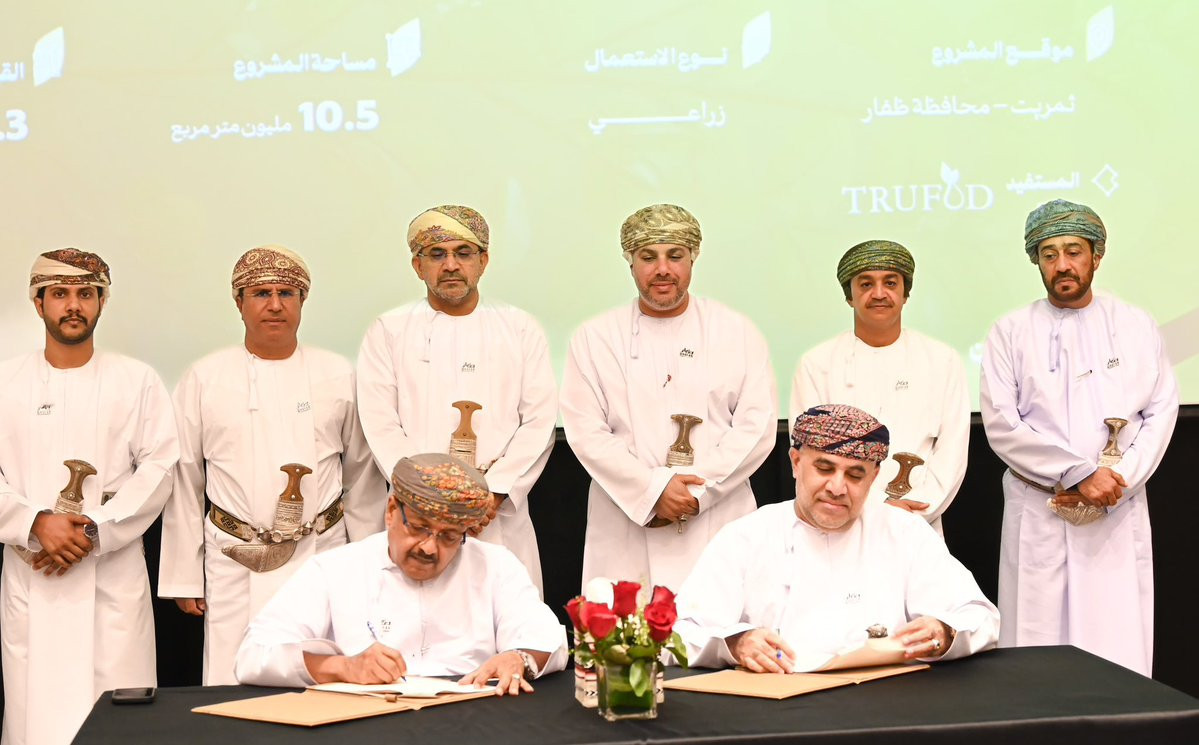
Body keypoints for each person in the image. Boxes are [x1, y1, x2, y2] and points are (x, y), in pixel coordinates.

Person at [158, 245, 386, 685]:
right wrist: (184, 576)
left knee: (322, 680)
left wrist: (369, 565)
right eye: (261, 293)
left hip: (322, 554)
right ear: (239, 302)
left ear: (303, 301)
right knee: (231, 685)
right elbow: (184, 479)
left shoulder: (338, 374)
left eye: (287, 293)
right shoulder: (205, 377)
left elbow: (362, 476)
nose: (275, 305)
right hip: (235, 559)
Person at [980, 199, 1178, 676]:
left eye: (1073, 251)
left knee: (1116, 647)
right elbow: (1002, 425)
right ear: (1036, 261)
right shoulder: (1010, 331)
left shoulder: (1136, 325)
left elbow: (1160, 410)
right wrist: (1078, 473)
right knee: (1035, 654)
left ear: (1096, 256)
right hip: (1039, 509)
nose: (1062, 265)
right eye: (1049, 254)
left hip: (1116, 509)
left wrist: (1116, 481)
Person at [0, 249, 179, 745]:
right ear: (38, 303)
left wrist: (96, 530)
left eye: (85, 294)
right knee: (37, 721)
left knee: (121, 721)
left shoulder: (137, 381)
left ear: (102, 302)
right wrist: (35, 523)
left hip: (111, 577)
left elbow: (161, 467)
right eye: (60, 294)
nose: (73, 305)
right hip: (32, 576)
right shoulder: (5, 382)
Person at [674, 404, 999, 672]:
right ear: (796, 463)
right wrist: (736, 643)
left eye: (855, 475)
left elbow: (980, 618)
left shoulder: (904, 532)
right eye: (825, 469)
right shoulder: (746, 536)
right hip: (781, 708)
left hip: (886, 703)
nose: (837, 487)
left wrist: (944, 631)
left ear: (873, 477)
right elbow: (681, 632)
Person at [560, 204, 777, 592]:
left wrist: (696, 493)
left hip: (718, 518)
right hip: (627, 519)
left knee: (724, 623)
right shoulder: (595, 337)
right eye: (649, 257)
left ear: (693, 258)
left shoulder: (736, 332)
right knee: (626, 626)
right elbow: (586, 431)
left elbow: (756, 427)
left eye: (675, 256)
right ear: (630, 262)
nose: (662, 269)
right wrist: (652, 491)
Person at [235, 453, 567, 696]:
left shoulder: (495, 565)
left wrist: (518, 657)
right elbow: (254, 655)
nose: (430, 548)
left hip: (473, 718)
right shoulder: (335, 569)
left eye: (449, 536)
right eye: (419, 528)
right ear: (392, 511)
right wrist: (344, 667)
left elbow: (547, 639)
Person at [356, 205, 555, 593]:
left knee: (503, 618)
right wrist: (429, 497)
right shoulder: (388, 331)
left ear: (483, 261)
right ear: (418, 265)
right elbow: (380, 424)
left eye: (463, 253)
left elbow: (539, 421)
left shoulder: (519, 328)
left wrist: (493, 493)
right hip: (418, 517)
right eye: (437, 254)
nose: (450, 265)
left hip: (495, 519)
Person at [790, 240, 969, 534]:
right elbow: (808, 454)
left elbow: (952, 452)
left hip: (917, 524)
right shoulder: (817, 364)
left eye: (890, 283)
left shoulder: (943, 361)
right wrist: (868, 511)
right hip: (838, 521)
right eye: (865, 284)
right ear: (850, 296)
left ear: (905, 293)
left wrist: (912, 511)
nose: (879, 294)